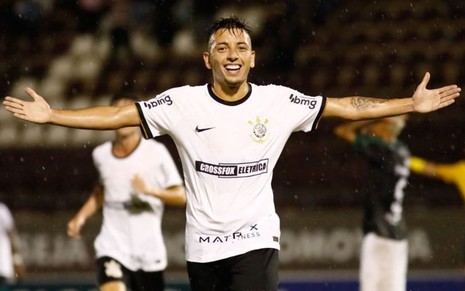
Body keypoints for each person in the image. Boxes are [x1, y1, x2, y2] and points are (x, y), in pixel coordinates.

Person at [2, 16, 461, 290]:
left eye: (241, 46)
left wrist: (409, 103)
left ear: (254, 58)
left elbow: (345, 106)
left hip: (256, 237)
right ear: (208, 60)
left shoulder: (278, 102)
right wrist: (54, 115)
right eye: (222, 47)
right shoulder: (182, 103)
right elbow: (117, 116)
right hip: (203, 246)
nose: (233, 53)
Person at [66, 93, 186, 291]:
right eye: (117, 111)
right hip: (112, 246)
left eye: (127, 111)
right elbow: (103, 189)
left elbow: (181, 196)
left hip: (148, 250)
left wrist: (150, 191)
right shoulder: (101, 154)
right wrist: (80, 217)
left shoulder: (156, 153)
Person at [334, 116, 410, 291]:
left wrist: (372, 116)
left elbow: (342, 131)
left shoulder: (381, 149)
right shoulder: (402, 151)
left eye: (377, 125)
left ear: (386, 127)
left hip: (378, 231)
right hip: (398, 234)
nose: (372, 129)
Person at [410, 149, 465, 271]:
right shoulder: (461, 169)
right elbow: (432, 170)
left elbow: (431, 170)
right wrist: (408, 161)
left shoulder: (462, 169)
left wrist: (406, 160)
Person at [0, 201, 26, 286]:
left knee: (6, 282)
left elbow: (11, 230)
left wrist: (17, 250)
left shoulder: (2, 209)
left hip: (2, 255)